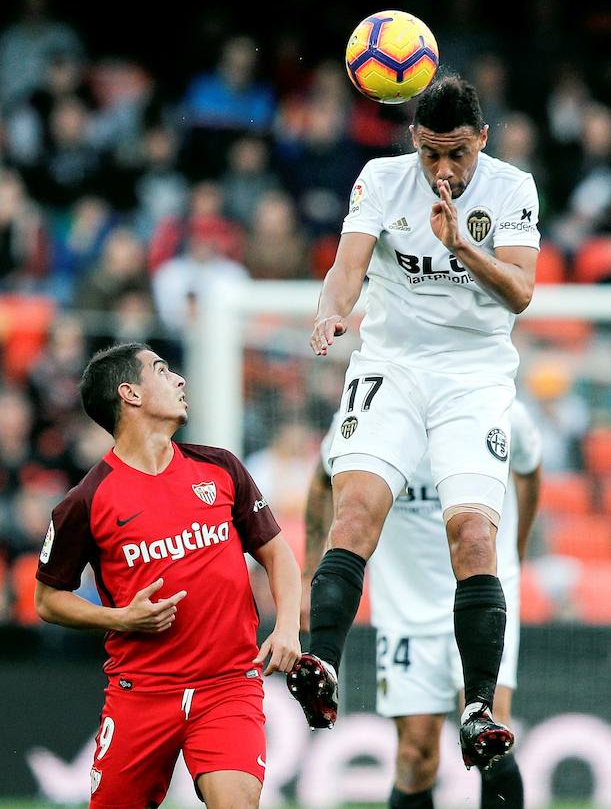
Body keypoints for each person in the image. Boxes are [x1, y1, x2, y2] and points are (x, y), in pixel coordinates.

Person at [288, 74, 540, 770]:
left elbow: (520, 292)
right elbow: (347, 267)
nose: (442, 170)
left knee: (471, 535)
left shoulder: (511, 188)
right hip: (390, 365)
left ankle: (478, 705)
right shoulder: (380, 178)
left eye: (456, 153)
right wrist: (329, 309)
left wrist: (461, 246)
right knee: (355, 511)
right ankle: (323, 665)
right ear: (412, 141)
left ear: (481, 140)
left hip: (472, 375)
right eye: (430, 153)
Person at [34, 342, 301, 809]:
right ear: (130, 394)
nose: (179, 379)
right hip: (141, 692)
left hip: (227, 685)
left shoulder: (220, 468)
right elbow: (46, 600)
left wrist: (288, 626)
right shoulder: (87, 500)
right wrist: (122, 619)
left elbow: (278, 555)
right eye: (161, 370)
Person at [301, 399, 542, 809]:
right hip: (405, 608)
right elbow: (324, 480)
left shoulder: (500, 410)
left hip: (480, 600)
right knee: (415, 756)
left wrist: (515, 551)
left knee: (490, 740)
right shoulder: (370, 416)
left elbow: (529, 471)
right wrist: (310, 571)